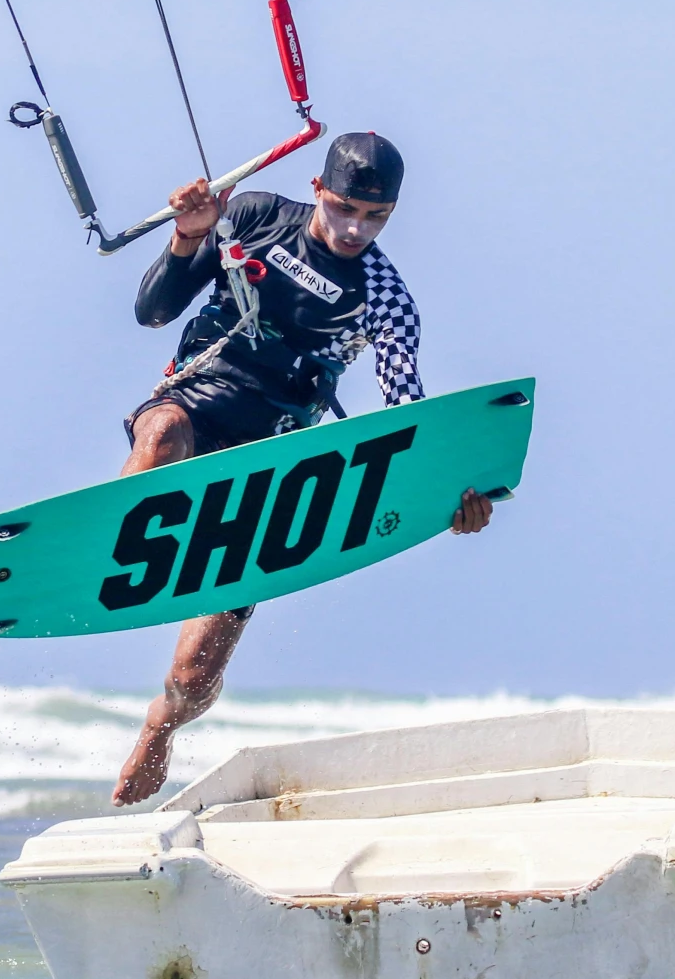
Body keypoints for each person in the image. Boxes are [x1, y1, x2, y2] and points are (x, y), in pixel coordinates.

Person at [110, 131, 495, 805]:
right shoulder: (257, 216)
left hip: (276, 466)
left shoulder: (385, 297)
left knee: (194, 675)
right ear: (318, 189)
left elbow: (409, 414)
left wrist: (450, 499)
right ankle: (101, 544)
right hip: (194, 401)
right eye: (345, 207)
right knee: (162, 433)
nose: (356, 228)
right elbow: (153, 312)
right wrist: (188, 239)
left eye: (375, 217)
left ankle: (158, 726)